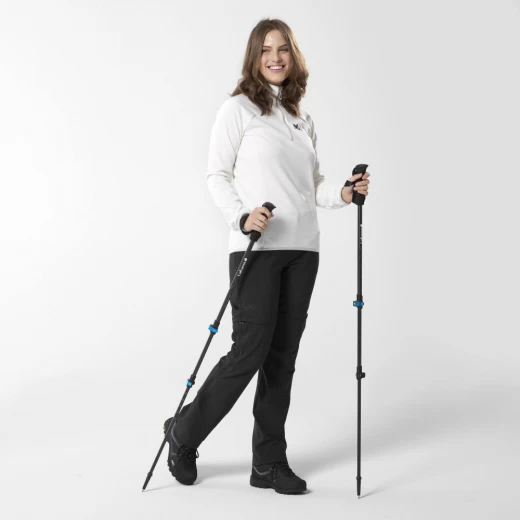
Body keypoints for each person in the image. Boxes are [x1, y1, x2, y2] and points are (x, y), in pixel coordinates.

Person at [164, 18, 371, 495]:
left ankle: (268, 463)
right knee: (248, 352)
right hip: (256, 249)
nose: (275, 58)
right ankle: (183, 432)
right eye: (266, 50)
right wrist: (241, 217)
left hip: (303, 251)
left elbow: (311, 187)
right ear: (254, 58)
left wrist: (344, 193)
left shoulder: (301, 119)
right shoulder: (238, 109)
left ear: (293, 57)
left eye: (283, 50)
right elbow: (217, 175)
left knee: (282, 358)